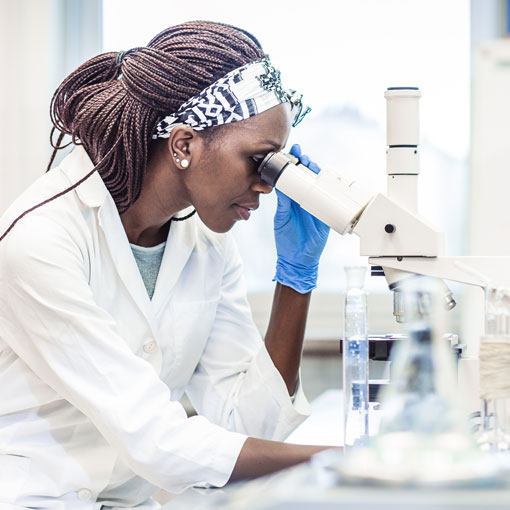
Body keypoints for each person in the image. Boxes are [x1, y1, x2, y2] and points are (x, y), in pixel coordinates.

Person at [0, 20, 331, 509]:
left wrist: (295, 281)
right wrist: (341, 459)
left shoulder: (207, 242)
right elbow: (156, 441)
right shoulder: (40, 240)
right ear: (183, 145)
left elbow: (243, 427)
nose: (268, 184)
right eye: (258, 160)